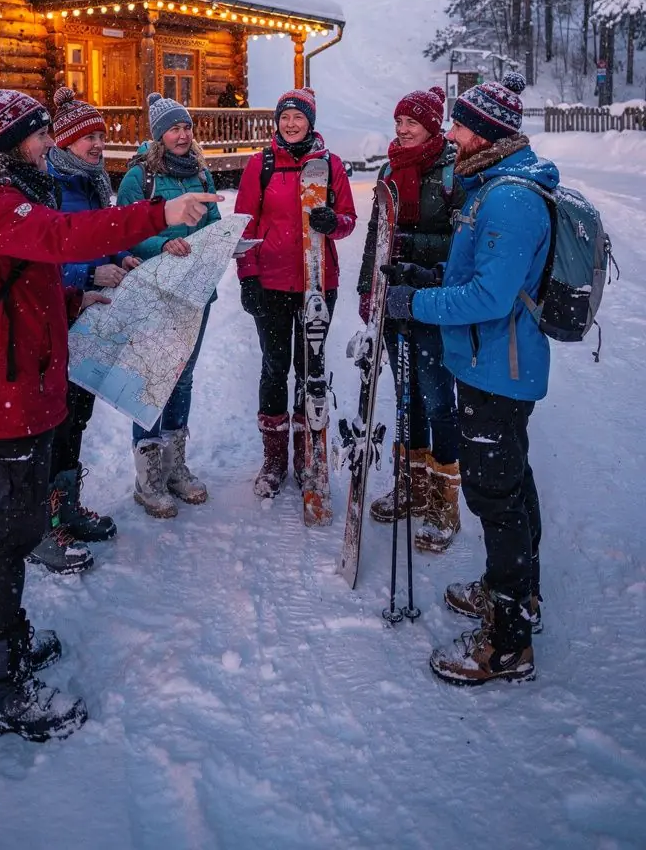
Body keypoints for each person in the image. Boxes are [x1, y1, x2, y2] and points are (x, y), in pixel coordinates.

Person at [0, 78, 219, 740]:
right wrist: (157, 216)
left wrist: (68, 307)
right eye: (37, 133)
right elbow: (66, 238)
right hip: (8, 389)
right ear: (10, 144)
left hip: (12, 378)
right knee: (11, 530)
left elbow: (19, 291)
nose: (46, 140)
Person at [383, 72, 557, 686]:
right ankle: (515, 593)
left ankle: (506, 643)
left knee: (495, 498)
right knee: (512, 484)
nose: (451, 134)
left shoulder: (508, 198)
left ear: (486, 135)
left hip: (498, 368)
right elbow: (476, 277)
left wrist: (415, 303)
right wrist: (422, 278)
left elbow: (488, 296)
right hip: (495, 363)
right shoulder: (495, 185)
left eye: (460, 125)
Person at [26, 86, 141, 575]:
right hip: (60, 319)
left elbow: (99, 237)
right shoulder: (47, 187)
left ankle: (66, 505)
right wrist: (87, 276)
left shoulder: (93, 183)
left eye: (101, 135)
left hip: (93, 317)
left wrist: (119, 257)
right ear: (65, 143)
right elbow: (39, 261)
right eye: (88, 138)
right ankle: (43, 524)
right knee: (54, 422)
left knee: (78, 415)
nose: (98, 145)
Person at [357, 86, 463, 552]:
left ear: (432, 127)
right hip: (394, 299)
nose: (401, 130)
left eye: (411, 124)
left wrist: (412, 249)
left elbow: (462, 244)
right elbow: (376, 234)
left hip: (436, 300)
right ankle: (411, 485)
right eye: (398, 122)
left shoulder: (452, 172)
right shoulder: (389, 169)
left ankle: (443, 502)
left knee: (437, 397)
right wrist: (367, 288)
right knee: (404, 397)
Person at [236, 87, 356, 496]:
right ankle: (273, 461)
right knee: (274, 369)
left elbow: (349, 220)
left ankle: (309, 456)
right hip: (270, 284)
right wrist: (248, 277)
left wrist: (331, 222)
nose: (290, 124)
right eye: (284, 117)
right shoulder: (260, 165)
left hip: (317, 283)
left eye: (298, 118)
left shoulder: (330, 165)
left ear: (311, 122)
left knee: (311, 371)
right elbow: (244, 227)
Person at [116, 92, 221, 518]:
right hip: (156, 289)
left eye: (186, 127)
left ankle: (176, 467)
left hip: (196, 291)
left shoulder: (201, 173)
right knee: (152, 378)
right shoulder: (139, 179)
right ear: (160, 135)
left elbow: (212, 224)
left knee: (183, 377)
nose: (182, 134)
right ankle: (149, 477)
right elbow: (124, 232)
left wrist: (224, 241)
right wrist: (164, 243)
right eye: (174, 128)